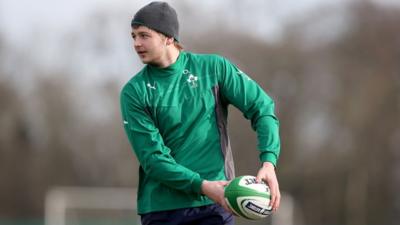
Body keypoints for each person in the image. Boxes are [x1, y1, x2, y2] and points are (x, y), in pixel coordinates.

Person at [120, 2, 281, 225]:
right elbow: (153, 159)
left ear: (168, 37)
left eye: (144, 35)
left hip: (215, 205)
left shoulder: (214, 69)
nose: (136, 43)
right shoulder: (135, 91)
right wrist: (203, 186)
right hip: (162, 209)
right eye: (133, 36)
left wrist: (268, 162)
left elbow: (262, 108)